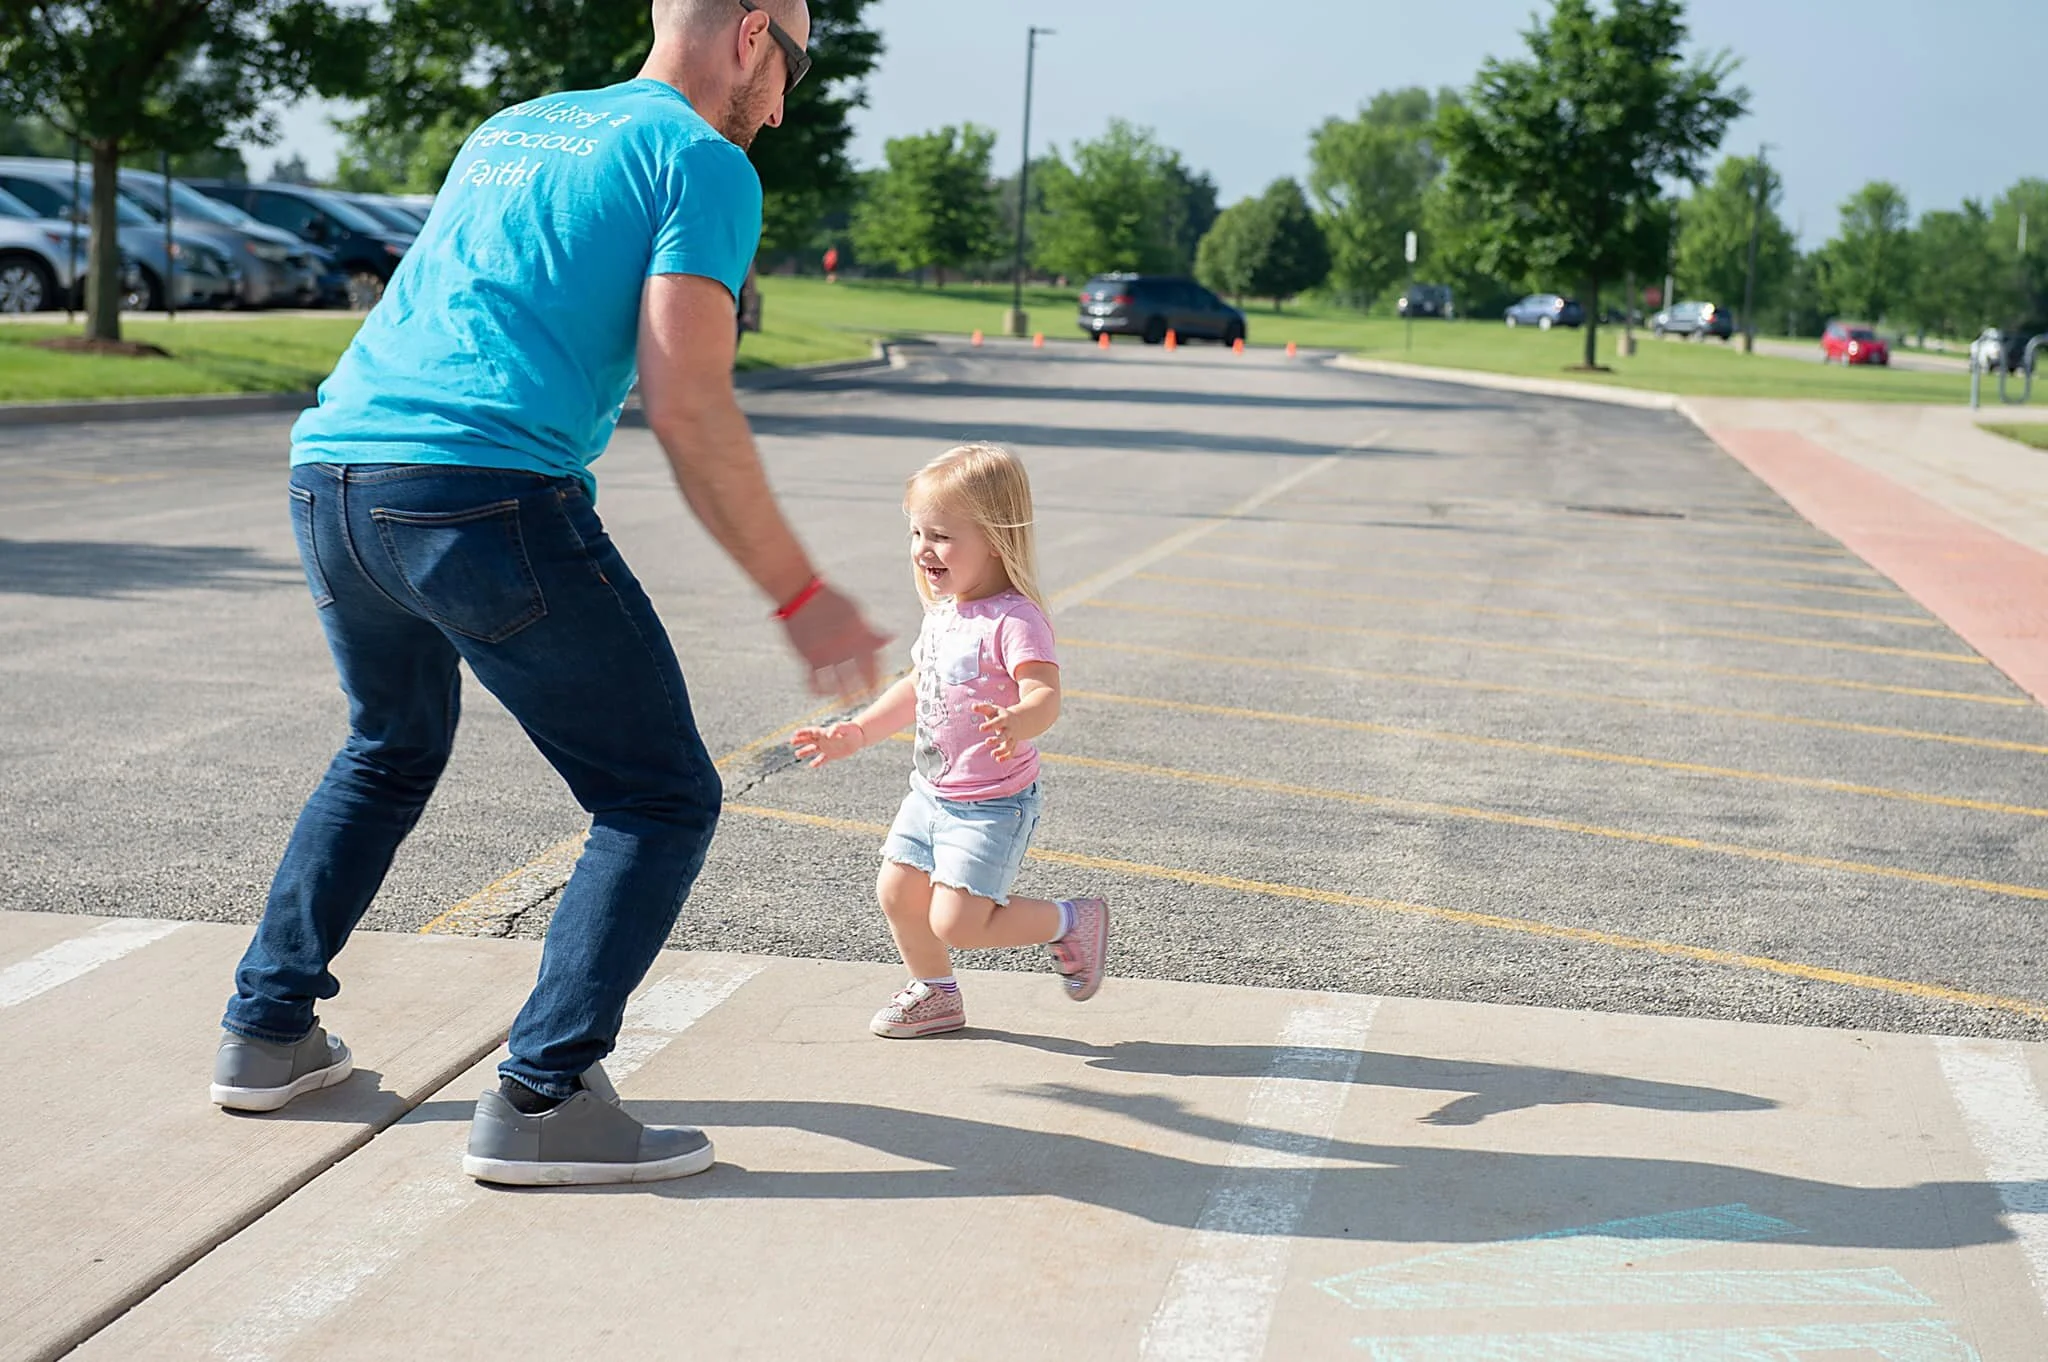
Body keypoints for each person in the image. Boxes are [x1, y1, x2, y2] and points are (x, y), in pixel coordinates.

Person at [209, 0, 890, 1187]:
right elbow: (688, 403)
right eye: (793, 67)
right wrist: (801, 594)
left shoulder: (513, 125)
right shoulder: (700, 159)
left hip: (332, 479)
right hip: (480, 496)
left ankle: (267, 1032)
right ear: (750, 34)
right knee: (658, 796)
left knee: (388, 744)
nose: (783, 106)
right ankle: (542, 1095)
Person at [790, 445, 1109, 1038]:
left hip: (992, 802)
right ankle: (935, 992)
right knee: (897, 892)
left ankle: (1071, 920)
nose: (922, 548)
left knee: (960, 923)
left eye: (940, 534)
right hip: (931, 794)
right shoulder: (944, 612)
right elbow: (918, 687)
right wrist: (856, 732)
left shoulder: (1016, 619)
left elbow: (1046, 695)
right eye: (916, 531)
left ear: (993, 538)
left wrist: (1019, 719)